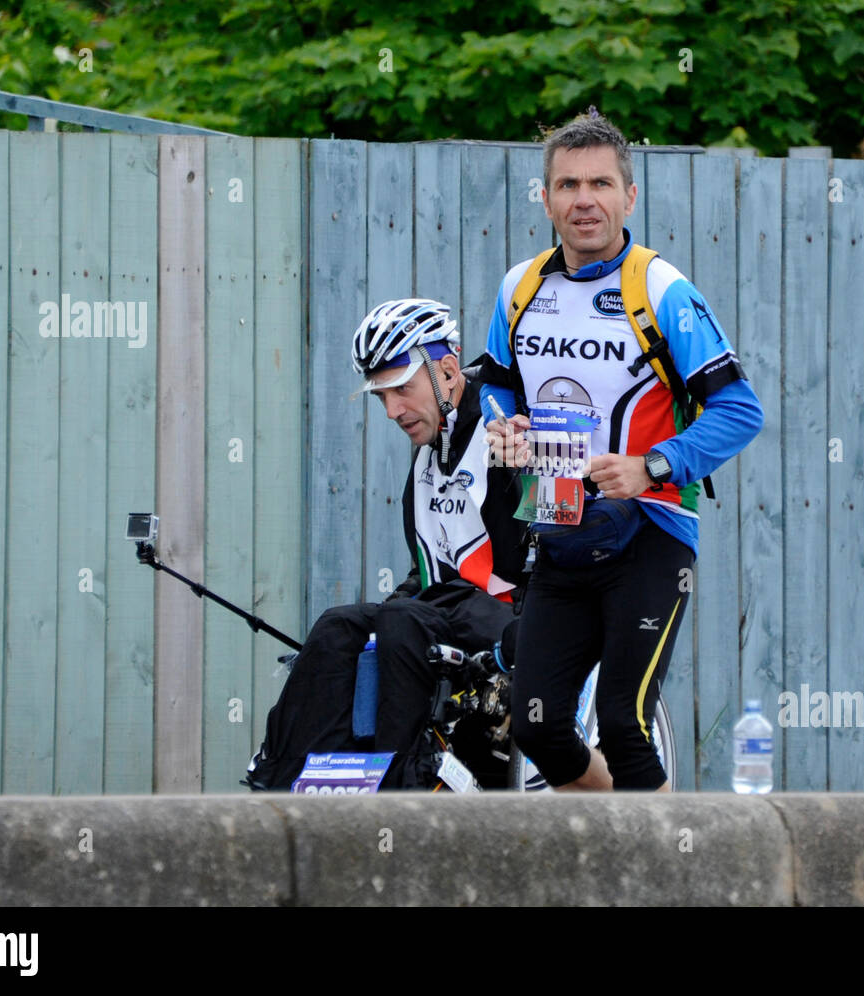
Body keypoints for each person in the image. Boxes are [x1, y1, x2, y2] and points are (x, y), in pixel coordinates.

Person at [477, 110, 763, 791]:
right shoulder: (521, 289)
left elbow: (740, 411)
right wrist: (504, 425)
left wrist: (651, 467)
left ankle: (673, 875)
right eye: (568, 184)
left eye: (601, 184)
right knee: (537, 725)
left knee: (623, 722)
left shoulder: (661, 290)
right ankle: (624, 838)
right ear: (544, 197)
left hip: (651, 539)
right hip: (559, 530)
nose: (585, 200)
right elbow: (495, 383)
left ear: (629, 197)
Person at [245, 298, 528, 790]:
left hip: (507, 612)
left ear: (446, 369)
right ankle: (285, 782)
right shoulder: (428, 448)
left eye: (401, 388)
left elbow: (538, 540)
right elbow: (430, 564)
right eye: (381, 396)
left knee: (400, 620)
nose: (393, 410)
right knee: (338, 627)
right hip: (442, 608)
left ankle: (400, 784)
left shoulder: (502, 427)